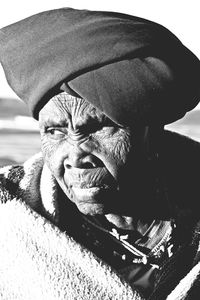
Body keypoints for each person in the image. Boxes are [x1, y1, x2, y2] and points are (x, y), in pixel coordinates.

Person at [0, 8, 200, 300]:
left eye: (97, 128)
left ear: (150, 131)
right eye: (55, 131)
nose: (76, 156)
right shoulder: (13, 216)